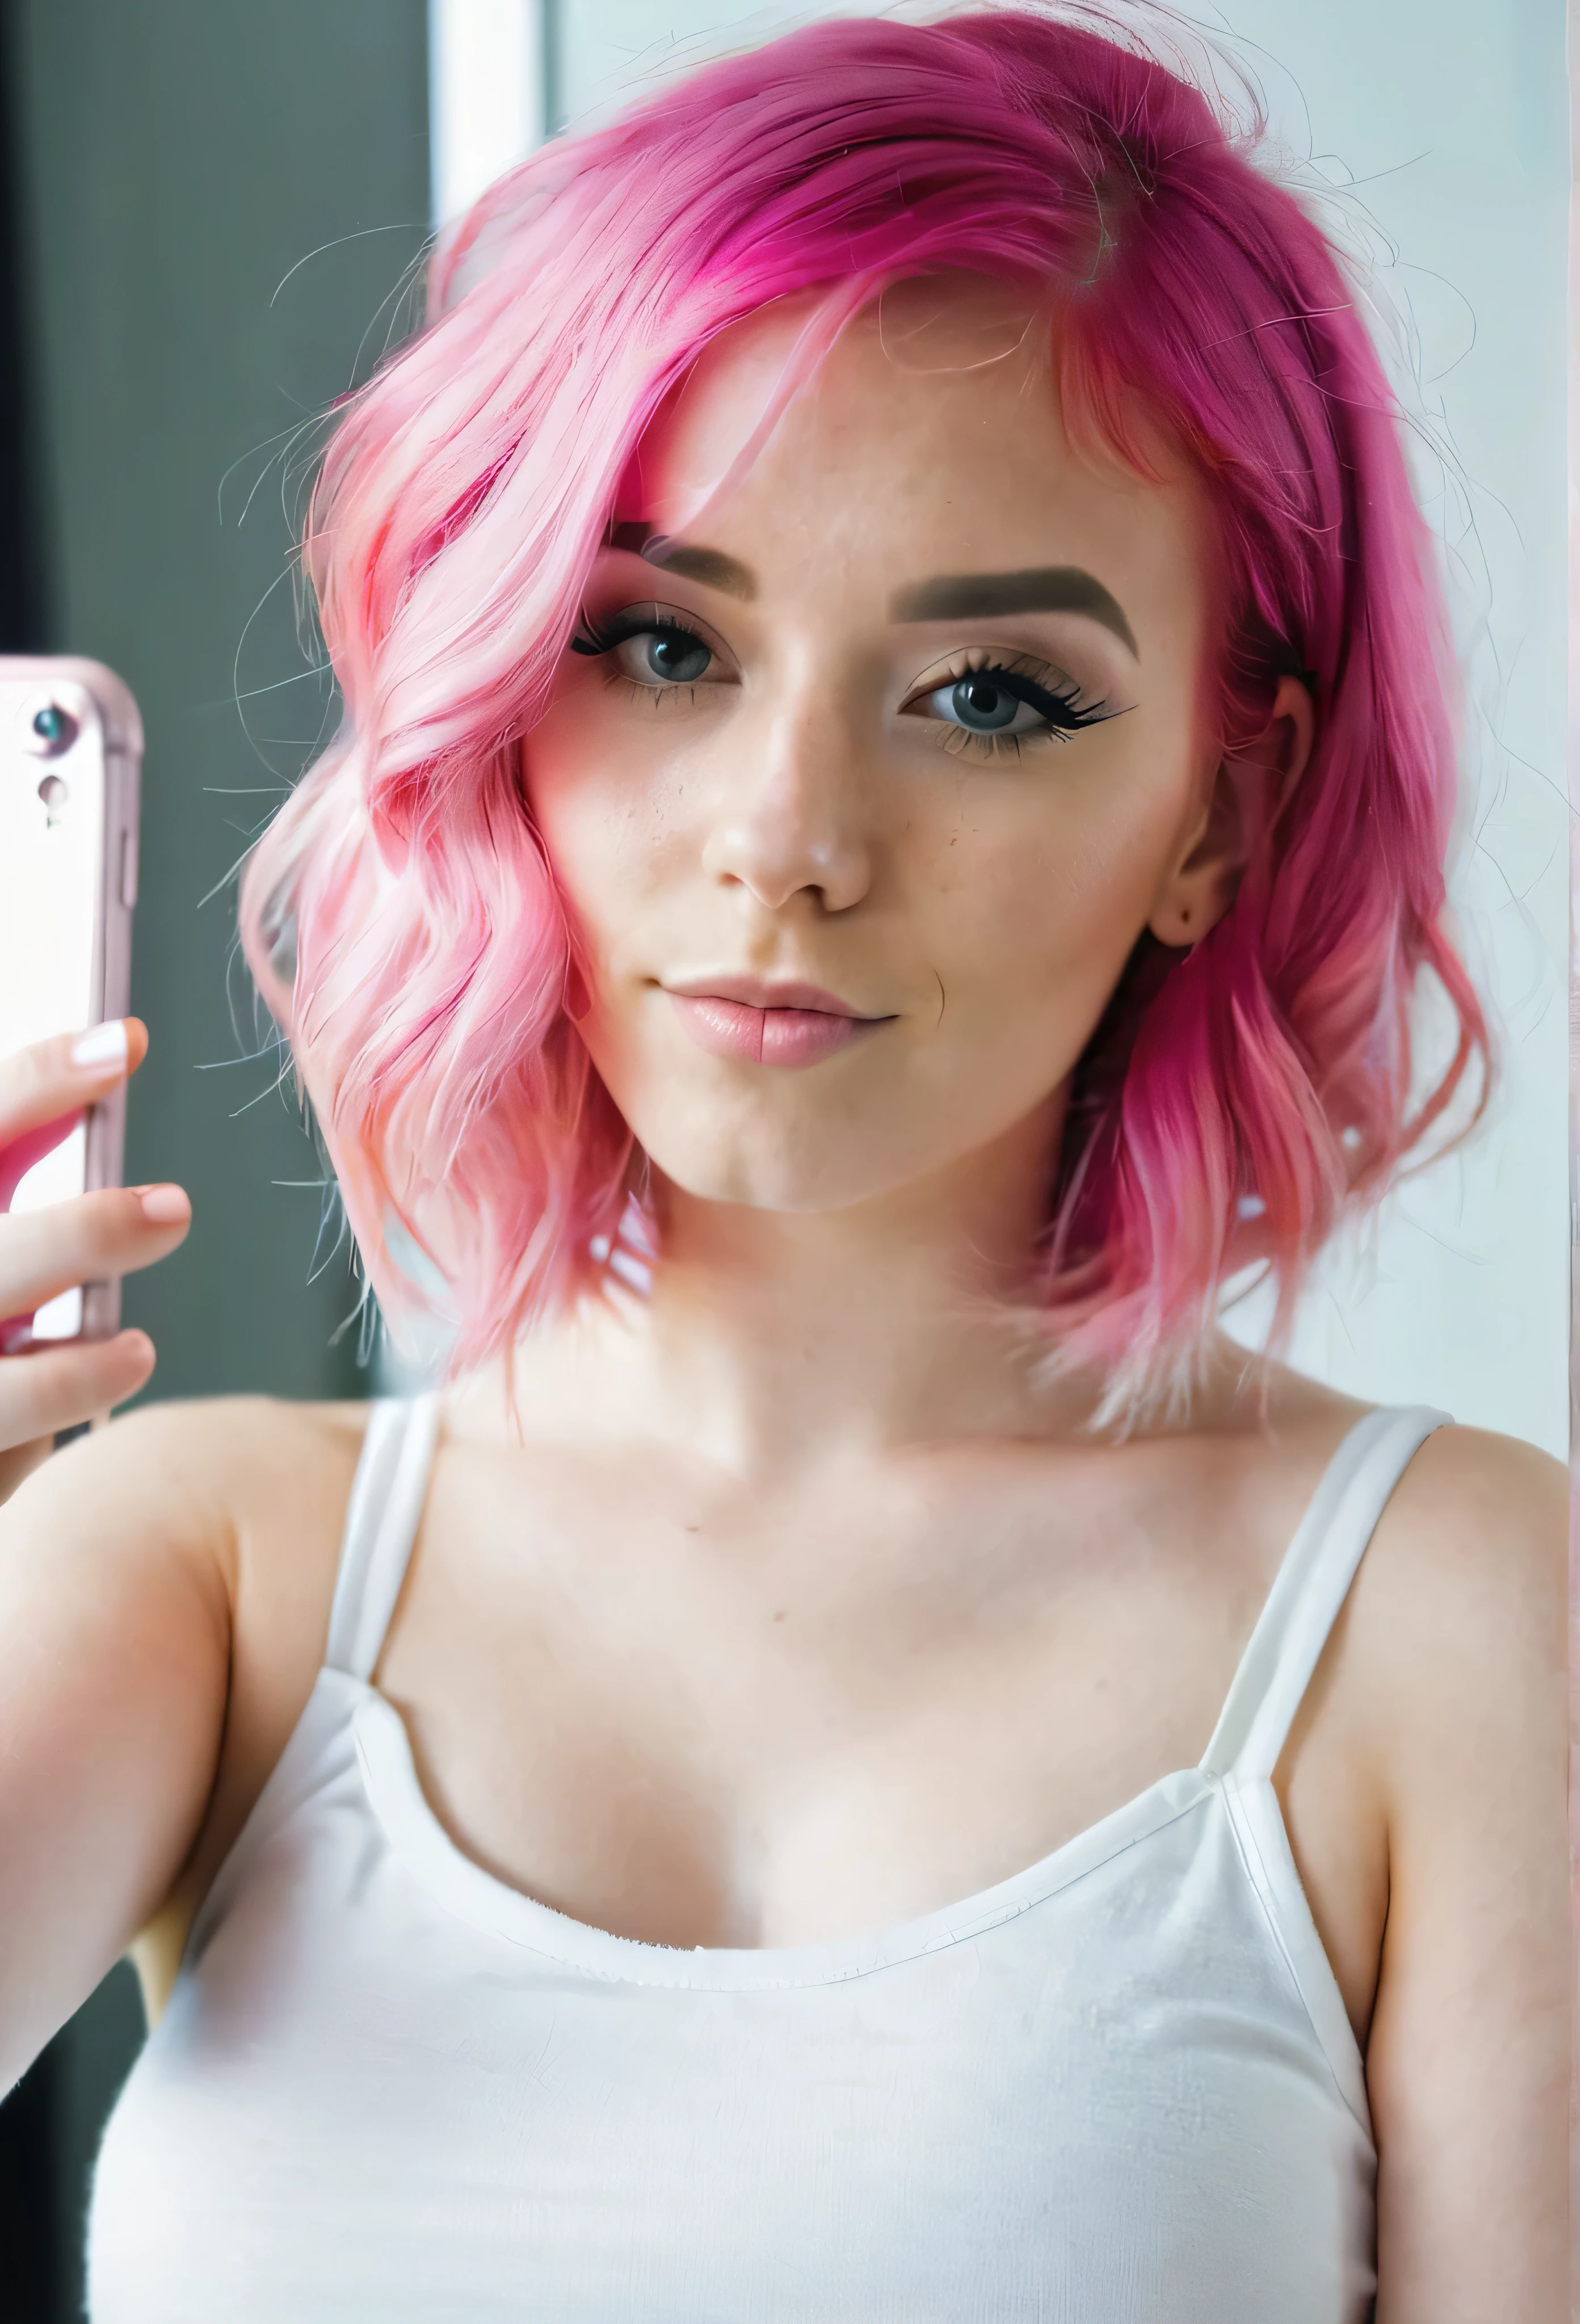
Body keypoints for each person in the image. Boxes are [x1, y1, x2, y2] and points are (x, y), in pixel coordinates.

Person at [0, 9, 1565, 2319]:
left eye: (989, 695)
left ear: (1222, 817)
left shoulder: (1455, 1616)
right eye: (657, 642)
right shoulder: (206, 1578)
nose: (791, 842)